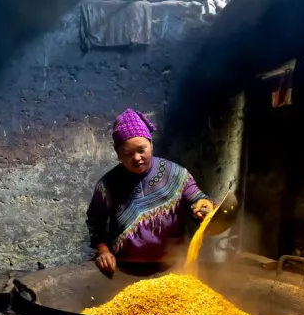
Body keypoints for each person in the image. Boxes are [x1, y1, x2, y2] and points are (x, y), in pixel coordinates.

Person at [86, 109, 214, 275]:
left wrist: (204, 205)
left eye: (142, 150)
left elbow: (197, 198)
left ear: (151, 145)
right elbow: (95, 222)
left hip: (174, 268)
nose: (137, 157)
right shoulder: (107, 185)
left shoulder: (175, 174)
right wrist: (103, 251)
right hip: (123, 270)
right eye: (128, 153)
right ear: (118, 154)